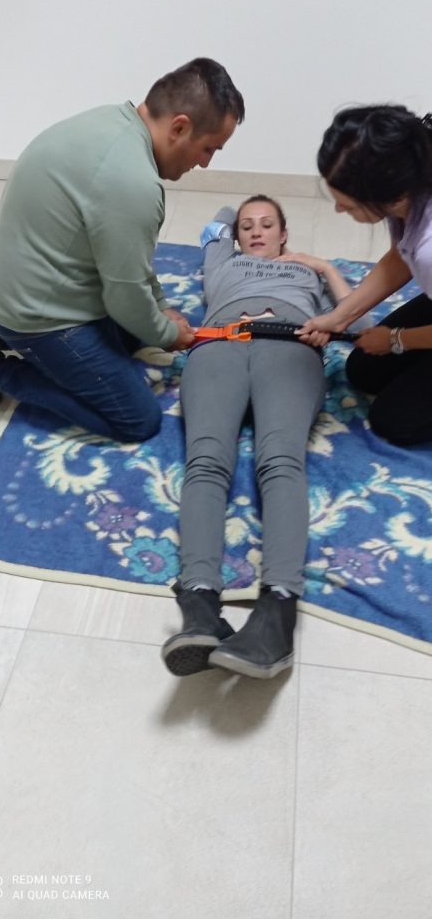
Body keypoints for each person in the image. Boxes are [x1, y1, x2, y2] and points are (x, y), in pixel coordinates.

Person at [0, 58, 244, 442]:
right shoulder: (133, 182)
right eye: (208, 149)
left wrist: (159, 309)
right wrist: (165, 331)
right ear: (179, 127)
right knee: (137, 419)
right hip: (36, 317)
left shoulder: (112, 123)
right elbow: (125, 295)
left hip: (22, 289)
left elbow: (130, 261)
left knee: (135, 334)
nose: (206, 163)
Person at [162, 195, 370, 679]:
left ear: (284, 233)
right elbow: (214, 225)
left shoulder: (309, 274)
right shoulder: (223, 260)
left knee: (279, 461)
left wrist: (323, 267)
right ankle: (199, 607)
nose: (256, 232)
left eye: (268, 224)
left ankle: (276, 614)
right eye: (247, 226)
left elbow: (362, 326)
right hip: (219, 347)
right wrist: (235, 216)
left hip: (289, 350)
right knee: (205, 463)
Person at [297, 104, 432, 446]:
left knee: (394, 421)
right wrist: (339, 317)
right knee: (363, 369)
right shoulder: (410, 193)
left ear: (392, 196)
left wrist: (397, 339)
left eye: (348, 205)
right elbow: (400, 258)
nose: (338, 209)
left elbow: (418, 255)